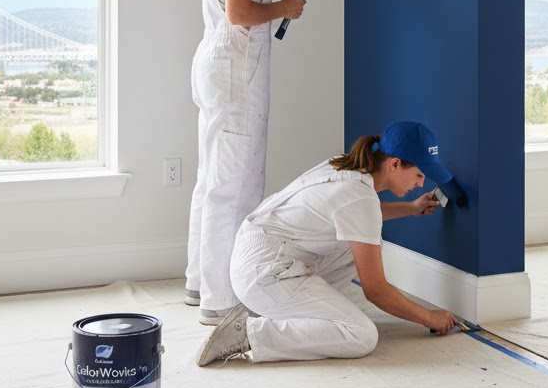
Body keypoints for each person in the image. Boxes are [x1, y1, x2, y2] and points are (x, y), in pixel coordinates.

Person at [186, 0, 345, 326]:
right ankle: (220, 301)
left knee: (213, 180)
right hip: (237, 66)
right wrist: (284, 8)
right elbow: (240, 12)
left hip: (218, 63)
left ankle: (199, 281)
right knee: (233, 186)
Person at [195, 121, 458, 366]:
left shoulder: (345, 167)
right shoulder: (360, 198)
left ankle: (290, 311)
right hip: (264, 271)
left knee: (365, 240)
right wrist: (428, 317)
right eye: (419, 174)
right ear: (395, 164)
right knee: (361, 335)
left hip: (260, 255)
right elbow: (375, 290)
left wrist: (410, 208)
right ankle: (247, 334)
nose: (421, 183)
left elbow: (357, 215)